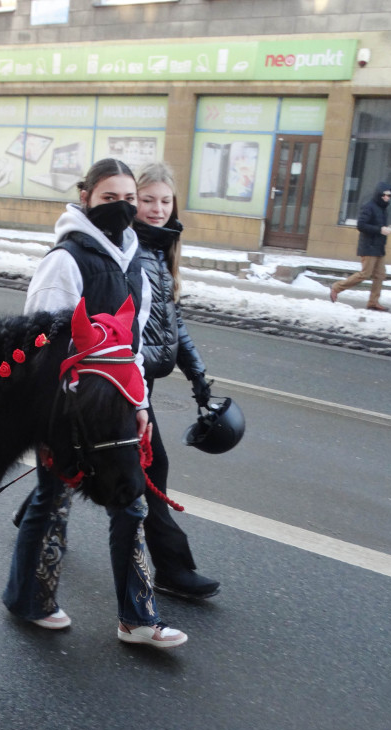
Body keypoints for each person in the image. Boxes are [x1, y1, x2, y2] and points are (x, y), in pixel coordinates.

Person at [3, 157, 188, 650]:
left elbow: (129, 349)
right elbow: (37, 343)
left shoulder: (135, 262)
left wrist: (141, 403)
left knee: (130, 504)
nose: (123, 208)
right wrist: (46, 416)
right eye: (111, 198)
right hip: (64, 410)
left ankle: (138, 617)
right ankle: (27, 597)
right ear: (85, 197)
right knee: (53, 501)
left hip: (116, 410)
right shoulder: (65, 259)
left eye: (130, 199)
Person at [132, 162, 221, 600]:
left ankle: (37, 517)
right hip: (123, 385)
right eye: (147, 199)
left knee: (80, 467)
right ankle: (171, 569)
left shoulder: (160, 249)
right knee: (147, 472)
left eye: (165, 201)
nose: (157, 209)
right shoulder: (129, 248)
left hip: (139, 386)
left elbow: (174, 324)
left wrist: (198, 375)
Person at [330, 181, 391, 311]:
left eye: (389, 196)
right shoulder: (369, 207)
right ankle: (337, 287)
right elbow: (361, 225)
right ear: (379, 194)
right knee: (365, 274)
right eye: (385, 195)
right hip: (369, 246)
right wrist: (380, 230)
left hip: (379, 247)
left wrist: (385, 229)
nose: (387, 198)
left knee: (380, 275)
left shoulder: (383, 209)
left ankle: (373, 302)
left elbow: (377, 226)